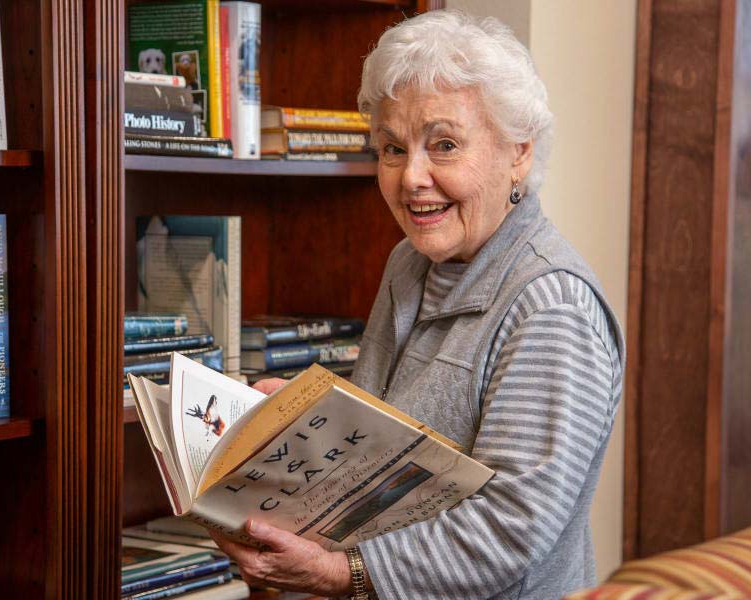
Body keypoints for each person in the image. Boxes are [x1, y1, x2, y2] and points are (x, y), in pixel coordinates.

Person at [209, 9, 624, 600]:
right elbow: (392, 443)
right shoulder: (411, 263)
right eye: (392, 149)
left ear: (520, 154)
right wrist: (303, 419)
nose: (412, 179)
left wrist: (338, 574)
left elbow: (510, 528)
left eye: (445, 145)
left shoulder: (551, 308)